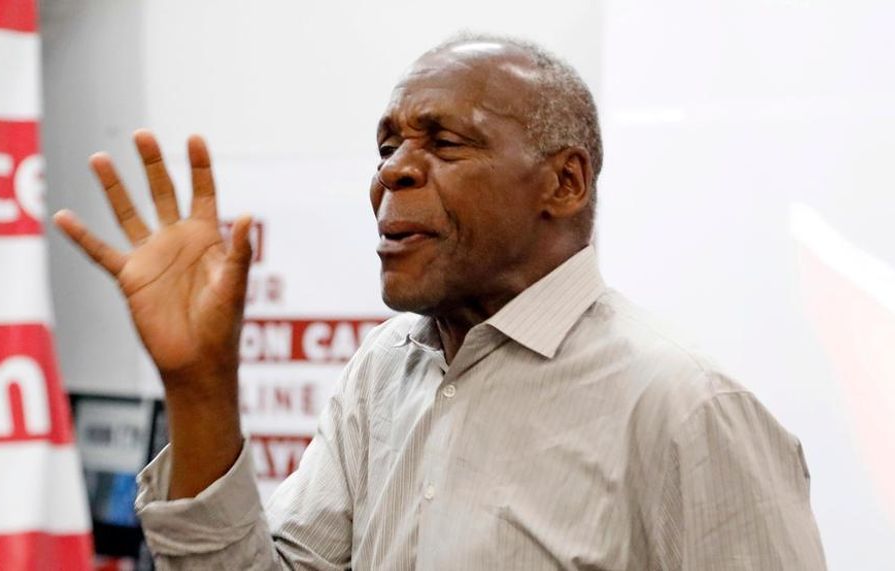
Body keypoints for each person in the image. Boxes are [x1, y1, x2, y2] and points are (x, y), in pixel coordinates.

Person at [55, 34, 827, 570]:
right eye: (387, 143)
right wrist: (199, 385)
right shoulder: (382, 372)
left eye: (443, 142)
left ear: (563, 183)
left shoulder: (686, 408)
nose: (393, 170)